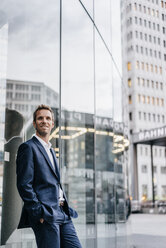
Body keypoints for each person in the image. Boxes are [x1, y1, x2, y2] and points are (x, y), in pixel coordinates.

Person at [16, 104, 82, 248]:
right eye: (40, 118)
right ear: (34, 123)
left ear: (52, 124)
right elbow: (24, 184)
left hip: (62, 212)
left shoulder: (51, 150)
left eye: (48, 118)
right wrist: (39, 213)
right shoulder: (28, 147)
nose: (44, 121)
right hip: (46, 214)